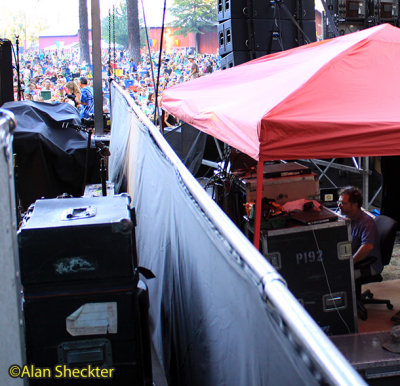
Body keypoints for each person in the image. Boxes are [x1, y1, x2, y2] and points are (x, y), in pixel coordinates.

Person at [338, 186, 382, 279]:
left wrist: (349, 263)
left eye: (343, 203)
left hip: (367, 265)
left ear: (354, 205)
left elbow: (367, 247)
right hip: (350, 256)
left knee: (337, 277)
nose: (339, 205)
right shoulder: (344, 214)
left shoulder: (366, 222)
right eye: (339, 202)